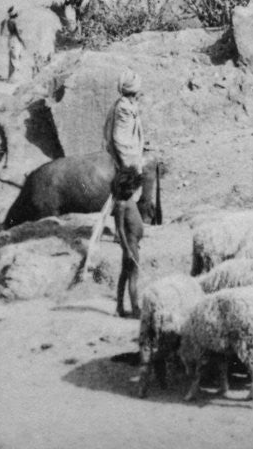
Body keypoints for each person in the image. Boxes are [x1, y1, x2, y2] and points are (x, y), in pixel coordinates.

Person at [111, 165, 144, 318]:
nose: (132, 191)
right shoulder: (120, 204)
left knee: (125, 275)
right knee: (133, 276)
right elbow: (120, 230)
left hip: (133, 242)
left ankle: (119, 308)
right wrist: (127, 249)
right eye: (129, 188)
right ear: (122, 187)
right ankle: (135, 309)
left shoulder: (128, 199)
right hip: (130, 244)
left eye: (133, 188)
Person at [103, 70, 145, 176]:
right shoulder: (124, 108)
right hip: (125, 158)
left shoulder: (128, 104)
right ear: (134, 91)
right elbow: (119, 138)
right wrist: (132, 165)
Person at [0, 6, 25, 81]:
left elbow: (4, 32)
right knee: (15, 58)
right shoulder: (13, 22)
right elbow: (17, 33)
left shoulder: (7, 21)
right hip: (15, 40)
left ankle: (11, 77)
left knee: (13, 57)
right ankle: (12, 78)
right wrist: (22, 41)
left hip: (11, 39)